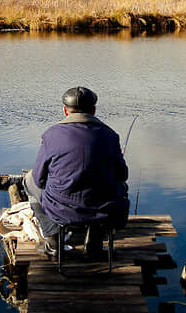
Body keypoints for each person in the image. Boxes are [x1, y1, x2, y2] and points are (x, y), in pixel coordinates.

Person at [23, 86, 129, 256]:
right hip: (103, 210)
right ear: (93, 110)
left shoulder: (51, 134)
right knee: (119, 187)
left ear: (65, 111)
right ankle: (93, 244)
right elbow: (122, 175)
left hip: (60, 210)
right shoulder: (110, 135)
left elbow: (39, 179)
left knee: (28, 181)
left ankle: (53, 242)